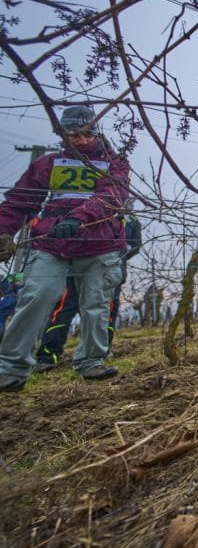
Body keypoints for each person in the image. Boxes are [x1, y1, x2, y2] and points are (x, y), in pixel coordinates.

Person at [0, 105, 130, 392]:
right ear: (62, 134)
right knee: (36, 295)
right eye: (74, 135)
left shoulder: (114, 163)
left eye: (87, 134)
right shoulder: (49, 163)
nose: (82, 140)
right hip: (52, 241)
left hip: (99, 242)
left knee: (96, 303)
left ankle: (91, 362)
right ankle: (11, 369)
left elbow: (112, 195)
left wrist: (79, 217)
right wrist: (3, 232)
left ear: (97, 132)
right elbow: (20, 201)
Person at [35, 212, 142, 369]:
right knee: (62, 313)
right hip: (75, 271)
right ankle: (47, 356)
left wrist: (118, 258)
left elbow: (135, 246)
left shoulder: (130, 219)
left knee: (102, 312)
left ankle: (96, 356)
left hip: (107, 270)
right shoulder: (85, 210)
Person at [0, 272, 25, 337]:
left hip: (9, 299)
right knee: (3, 318)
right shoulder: (17, 282)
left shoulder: (9, 281)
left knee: (1, 318)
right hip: (14, 300)